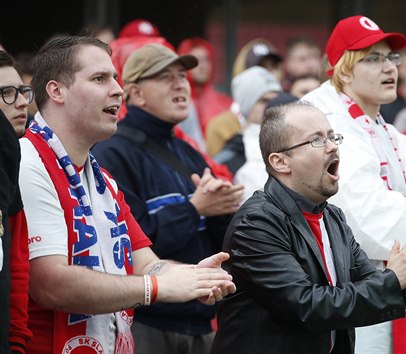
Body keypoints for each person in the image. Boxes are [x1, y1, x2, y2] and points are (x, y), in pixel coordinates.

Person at [19, 36, 236, 354]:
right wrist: (157, 287)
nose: (117, 90)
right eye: (99, 79)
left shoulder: (103, 179)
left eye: (116, 79)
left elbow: (146, 263)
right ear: (56, 91)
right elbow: (50, 284)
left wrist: (195, 276)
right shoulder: (29, 162)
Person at [211, 102, 406, 354]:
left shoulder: (332, 217)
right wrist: (394, 278)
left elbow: (368, 284)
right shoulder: (257, 222)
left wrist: (405, 273)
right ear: (280, 162)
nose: (333, 146)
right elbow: (307, 306)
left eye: (332, 137)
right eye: (316, 140)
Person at [301, 15, 406, 354]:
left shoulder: (382, 127)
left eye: (391, 57)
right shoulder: (328, 124)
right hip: (354, 293)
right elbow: (367, 225)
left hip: (386, 288)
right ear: (344, 70)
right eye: (373, 59)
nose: (389, 68)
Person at [91, 43, 243, 354]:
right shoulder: (112, 151)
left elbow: (217, 242)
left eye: (182, 76)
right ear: (135, 93)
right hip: (148, 324)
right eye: (164, 77)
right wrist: (194, 208)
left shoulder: (187, 151)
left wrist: (223, 210)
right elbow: (128, 244)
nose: (180, 84)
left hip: (201, 323)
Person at [0, 50, 32, 354]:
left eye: (22, 91)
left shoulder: (12, 163)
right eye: (7, 93)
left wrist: (16, 343)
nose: (22, 102)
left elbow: (18, 266)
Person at [210, 66, 281, 174]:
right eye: (264, 101)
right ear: (247, 105)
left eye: (276, 99)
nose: (272, 106)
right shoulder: (229, 159)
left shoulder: (291, 146)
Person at [177, 37, 233, 134]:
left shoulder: (226, 104)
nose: (203, 66)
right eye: (196, 61)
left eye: (207, 60)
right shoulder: (176, 101)